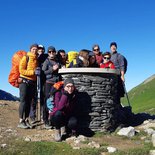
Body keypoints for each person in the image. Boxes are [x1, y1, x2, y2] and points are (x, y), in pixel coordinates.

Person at [17, 43, 38, 129]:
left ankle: (26, 120)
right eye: (33, 49)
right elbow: (21, 70)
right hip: (24, 81)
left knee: (29, 102)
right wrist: (32, 73)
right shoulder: (26, 57)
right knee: (23, 101)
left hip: (32, 83)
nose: (35, 50)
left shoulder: (36, 59)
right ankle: (21, 121)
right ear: (30, 49)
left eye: (36, 49)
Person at [42, 46, 62, 129]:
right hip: (48, 83)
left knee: (55, 101)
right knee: (47, 101)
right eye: (49, 52)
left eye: (52, 52)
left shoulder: (57, 61)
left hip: (56, 84)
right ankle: (45, 120)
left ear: (55, 52)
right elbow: (43, 72)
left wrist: (61, 67)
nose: (51, 53)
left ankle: (53, 120)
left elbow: (60, 68)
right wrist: (52, 70)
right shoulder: (46, 61)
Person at [29, 44, 48, 124]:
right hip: (34, 79)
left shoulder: (46, 57)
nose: (41, 50)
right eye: (39, 48)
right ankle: (32, 116)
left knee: (43, 98)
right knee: (34, 98)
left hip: (44, 80)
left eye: (42, 49)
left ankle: (43, 116)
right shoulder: (33, 57)